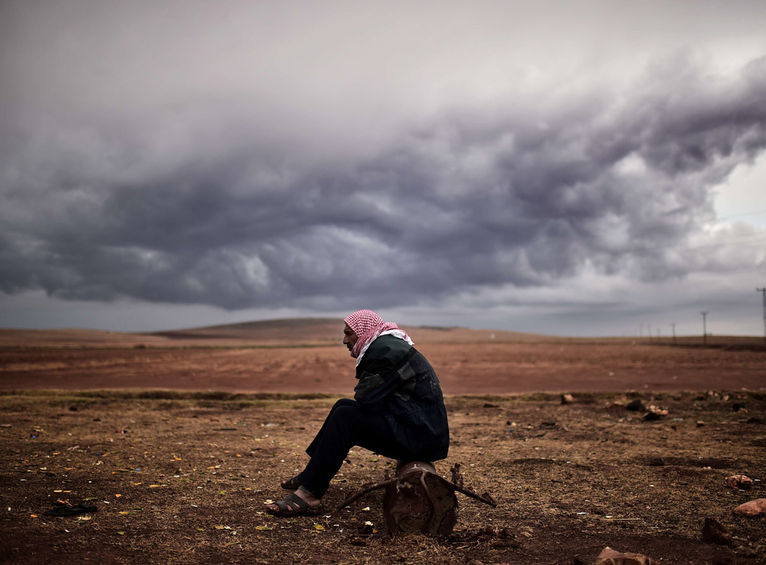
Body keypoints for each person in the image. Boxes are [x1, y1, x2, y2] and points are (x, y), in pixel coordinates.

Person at [266, 309, 450, 516]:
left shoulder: (385, 351)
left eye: (348, 333)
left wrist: (374, 398)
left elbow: (366, 399)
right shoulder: (386, 345)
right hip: (418, 429)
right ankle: (311, 474)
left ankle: (310, 494)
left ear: (363, 332)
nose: (344, 340)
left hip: (419, 438)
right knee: (342, 406)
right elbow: (372, 399)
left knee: (346, 418)